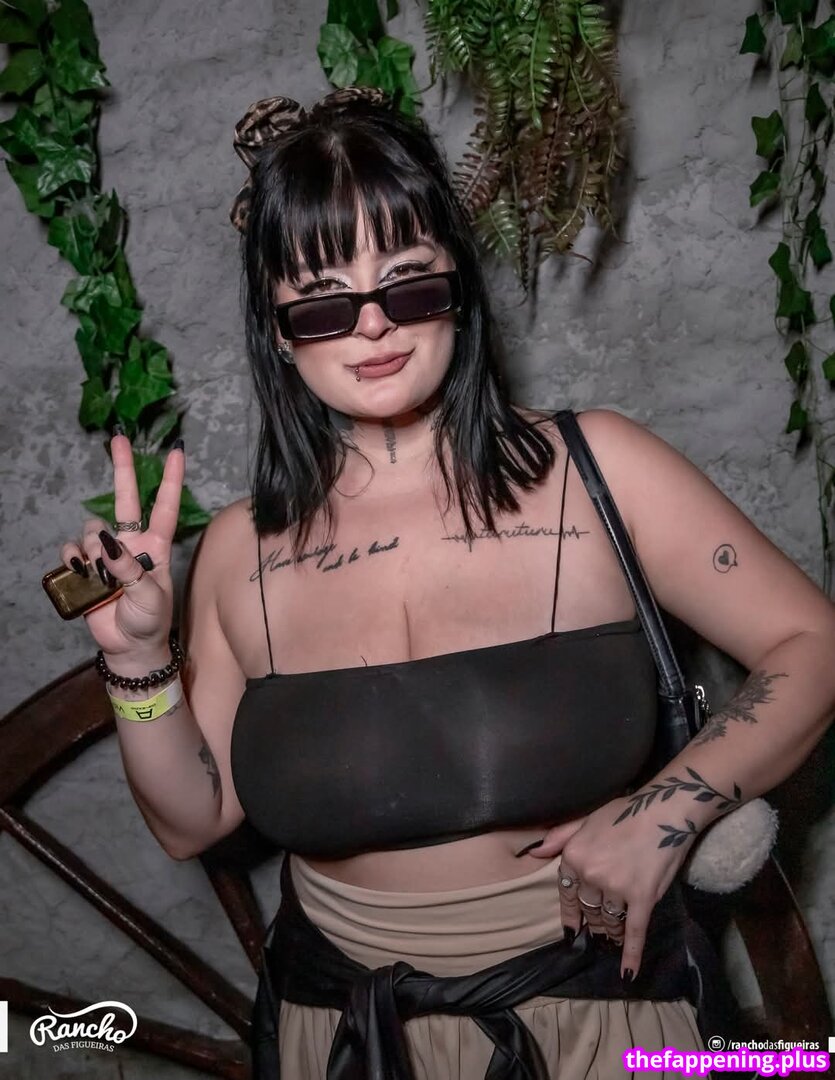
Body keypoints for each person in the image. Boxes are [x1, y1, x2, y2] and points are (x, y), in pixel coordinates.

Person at [58, 88, 835, 1079]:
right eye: (324, 298)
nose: (372, 327)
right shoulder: (238, 551)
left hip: (602, 1020)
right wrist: (136, 662)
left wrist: (663, 812)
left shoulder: (600, 470)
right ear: (278, 327)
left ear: (456, 286)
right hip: (343, 1037)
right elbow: (189, 822)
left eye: (408, 283)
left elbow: (811, 644)